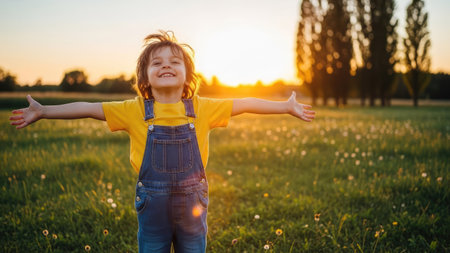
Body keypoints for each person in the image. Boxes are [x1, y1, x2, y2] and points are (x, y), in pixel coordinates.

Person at [9, 31, 315, 253]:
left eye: (174, 62)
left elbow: (246, 102)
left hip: (193, 203)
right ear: (145, 77)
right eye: (157, 63)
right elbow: (88, 108)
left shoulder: (204, 107)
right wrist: (44, 111)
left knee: (194, 247)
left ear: (187, 75)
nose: (166, 65)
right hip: (152, 208)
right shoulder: (134, 110)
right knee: (152, 246)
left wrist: (286, 107)